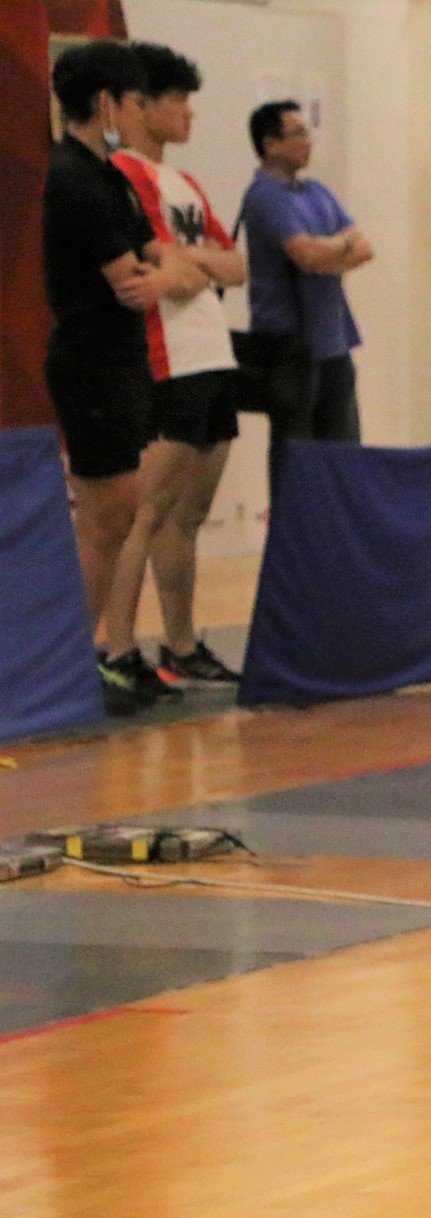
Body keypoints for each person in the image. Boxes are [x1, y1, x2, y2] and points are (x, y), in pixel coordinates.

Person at [43, 40, 181, 717]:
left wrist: (166, 273)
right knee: (103, 519)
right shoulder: (70, 175)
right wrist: (165, 275)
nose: (144, 111)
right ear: (105, 104)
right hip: (91, 363)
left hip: (122, 363)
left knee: (119, 512)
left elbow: (165, 261)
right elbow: (134, 280)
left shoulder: (113, 177)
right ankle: (65, 661)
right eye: (134, 101)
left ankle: (76, 653)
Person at [111, 42, 244, 690]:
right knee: (148, 513)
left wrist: (190, 264)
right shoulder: (123, 176)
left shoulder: (184, 184)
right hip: (170, 361)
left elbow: (231, 266)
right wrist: (190, 265)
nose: (189, 114)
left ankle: (181, 644)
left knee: (186, 517)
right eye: (178, 100)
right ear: (139, 106)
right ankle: (116, 653)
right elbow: (170, 267)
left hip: (213, 355)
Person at [240, 99, 371, 457]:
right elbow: (306, 256)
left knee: (343, 450)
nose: (307, 142)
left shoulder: (317, 192)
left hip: (334, 339)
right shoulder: (265, 195)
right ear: (270, 144)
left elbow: (363, 248)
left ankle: (335, 516)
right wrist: (338, 246)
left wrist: (331, 249)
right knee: (296, 452)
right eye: (297, 134)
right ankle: (293, 515)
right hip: (289, 346)